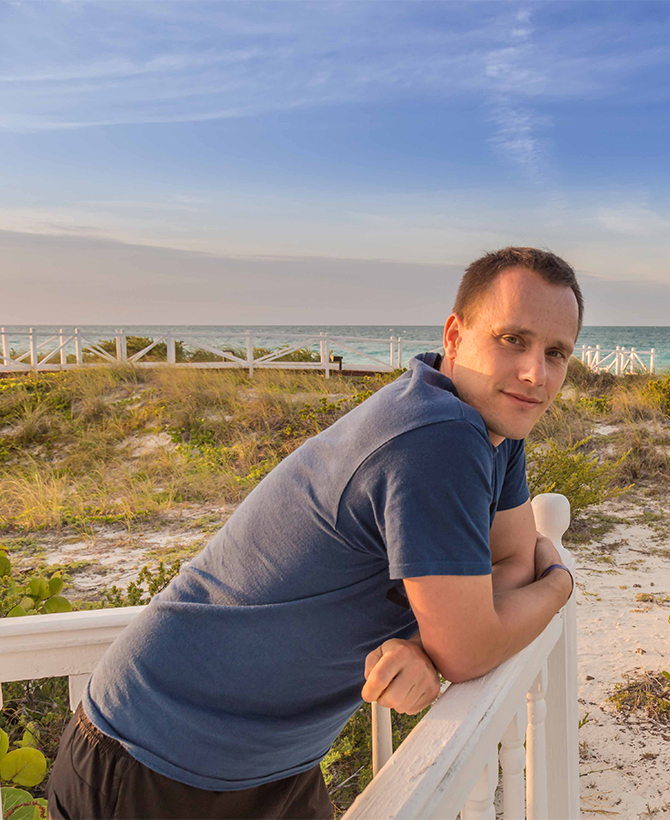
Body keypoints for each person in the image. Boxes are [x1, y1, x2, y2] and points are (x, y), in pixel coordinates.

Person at [47, 246, 580, 820]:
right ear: (454, 335)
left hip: (268, 760)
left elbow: (511, 565)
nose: (536, 374)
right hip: (159, 757)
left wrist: (433, 646)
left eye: (556, 353)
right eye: (513, 340)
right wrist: (560, 586)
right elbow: (480, 635)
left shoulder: (494, 428)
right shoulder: (438, 435)